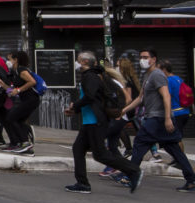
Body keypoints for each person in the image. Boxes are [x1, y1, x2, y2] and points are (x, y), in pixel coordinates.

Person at [67, 51, 141, 193]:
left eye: (78, 60)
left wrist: (75, 106)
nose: (76, 63)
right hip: (90, 121)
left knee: (100, 154)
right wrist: (75, 109)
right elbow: (92, 98)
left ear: (84, 62)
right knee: (78, 149)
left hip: (95, 121)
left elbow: (90, 96)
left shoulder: (90, 76)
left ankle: (133, 170)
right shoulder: (93, 76)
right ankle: (82, 184)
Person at [123, 50, 195, 191]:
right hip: (158, 119)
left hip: (157, 118)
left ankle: (131, 175)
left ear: (154, 59)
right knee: (174, 148)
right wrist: (123, 111)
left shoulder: (157, 75)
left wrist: (168, 118)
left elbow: (166, 96)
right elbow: (141, 98)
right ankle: (191, 180)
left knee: (139, 143)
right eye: (141, 57)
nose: (142, 60)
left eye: (145, 57)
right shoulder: (147, 75)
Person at [3, 51, 40, 154]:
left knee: (11, 117)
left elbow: (32, 82)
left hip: (31, 100)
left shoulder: (21, 70)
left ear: (16, 60)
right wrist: (3, 85)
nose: (8, 62)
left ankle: (25, 143)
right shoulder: (15, 72)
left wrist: (19, 90)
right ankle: (22, 142)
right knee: (18, 120)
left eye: (9, 59)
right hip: (29, 100)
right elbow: (13, 89)